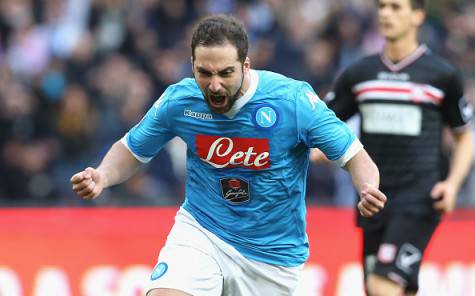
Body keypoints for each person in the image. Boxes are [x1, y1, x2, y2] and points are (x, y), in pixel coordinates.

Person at [71, 14, 387, 296]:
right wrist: (103, 175)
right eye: (205, 73)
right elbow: (132, 149)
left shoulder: (291, 101)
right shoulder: (180, 101)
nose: (215, 85)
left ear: (245, 65)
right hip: (202, 232)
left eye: (226, 73)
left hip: (271, 257)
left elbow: (354, 155)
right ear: (192, 63)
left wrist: (367, 188)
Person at [312, 0, 474, 295]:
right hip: (372, 198)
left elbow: (465, 137)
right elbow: (322, 127)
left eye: (396, 7)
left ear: (418, 15)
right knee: (389, 289)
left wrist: (451, 185)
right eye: (382, 6)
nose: (386, 13)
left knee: (381, 284)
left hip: (419, 198)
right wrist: (316, 152)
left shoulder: (442, 75)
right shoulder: (359, 74)